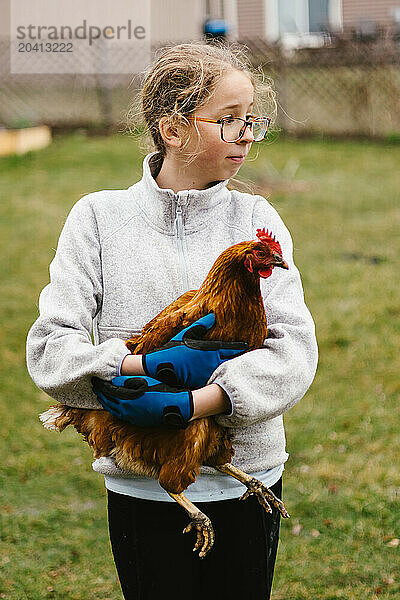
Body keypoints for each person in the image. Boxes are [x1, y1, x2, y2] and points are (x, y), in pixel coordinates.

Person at [26, 42, 318, 599]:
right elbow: (49, 347)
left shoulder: (254, 217)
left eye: (249, 120)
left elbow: (295, 350)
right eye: (228, 121)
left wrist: (201, 401)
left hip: (248, 477)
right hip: (142, 489)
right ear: (173, 130)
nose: (246, 134)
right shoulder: (98, 219)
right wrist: (133, 367)